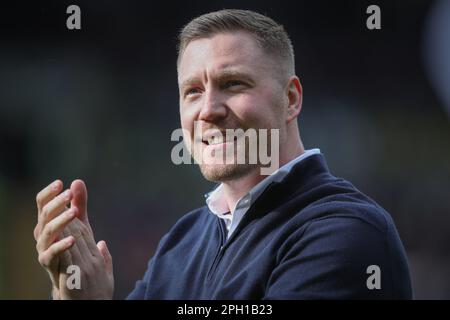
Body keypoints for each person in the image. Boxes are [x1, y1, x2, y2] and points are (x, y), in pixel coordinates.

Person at [34, 9, 413, 299]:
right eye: (193, 91)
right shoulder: (181, 241)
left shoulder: (345, 234)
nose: (208, 110)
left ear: (291, 99)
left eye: (232, 84)